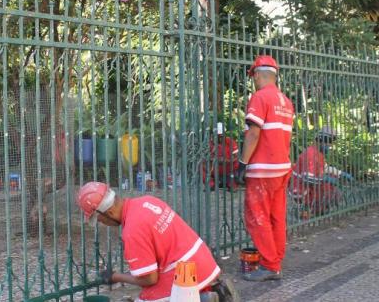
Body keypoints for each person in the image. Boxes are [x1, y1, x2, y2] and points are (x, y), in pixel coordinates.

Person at [76, 181, 237, 302]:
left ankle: (200, 299)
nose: (102, 223)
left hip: (185, 276)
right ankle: (204, 294)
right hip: (205, 263)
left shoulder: (132, 231)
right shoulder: (148, 201)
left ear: (108, 212)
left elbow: (149, 280)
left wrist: (115, 277)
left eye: (99, 220)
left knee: (144, 298)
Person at [234, 55, 295, 282]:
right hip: (281, 168)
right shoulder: (285, 101)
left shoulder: (260, 98)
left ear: (258, 75)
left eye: (253, 76)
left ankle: (270, 266)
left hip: (263, 170)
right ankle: (275, 260)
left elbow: (253, 132)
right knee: (276, 217)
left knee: (257, 217)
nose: (254, 81)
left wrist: (242, 163)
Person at [291, 127, 353, 216]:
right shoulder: (310, 154)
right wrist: (326, 179)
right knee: (328, 185)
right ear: (321, 141)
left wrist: (340, 174)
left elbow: (325, 168)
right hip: (301, 190)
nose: (330, 146)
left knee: (332, 180)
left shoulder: (318, 153)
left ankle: (317, 209)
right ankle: (309, 210)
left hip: (308, 187)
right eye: (328, 143)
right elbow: (308, 179)